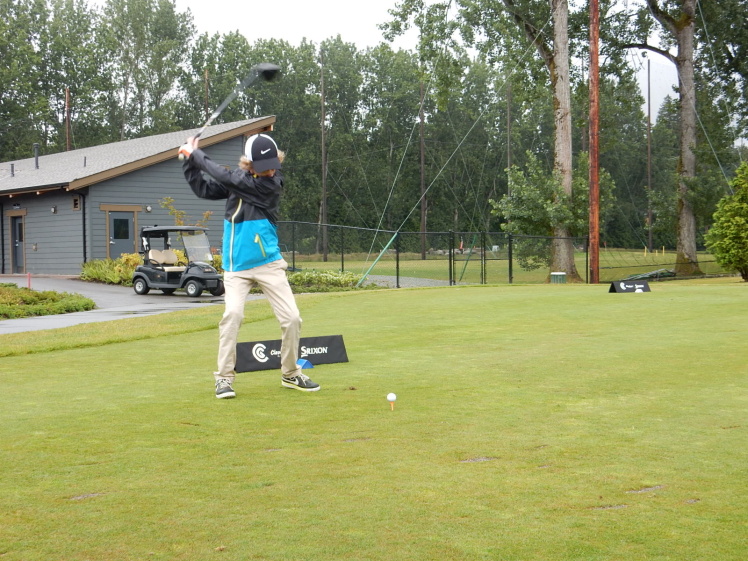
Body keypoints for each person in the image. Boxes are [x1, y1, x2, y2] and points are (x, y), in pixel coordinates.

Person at [179, 133, 320, 398]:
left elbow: (225, 177)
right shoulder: (240, 181)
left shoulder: (271, 184)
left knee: (292, 318)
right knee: (232, 316)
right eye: (264, 165)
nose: (270, 170)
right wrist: (189, 163)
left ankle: (291, 374)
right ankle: (224, 379)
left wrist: (194, 153)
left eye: (273, 164)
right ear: (250, 164)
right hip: (237, 267)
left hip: (268, 263)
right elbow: (204, 189)